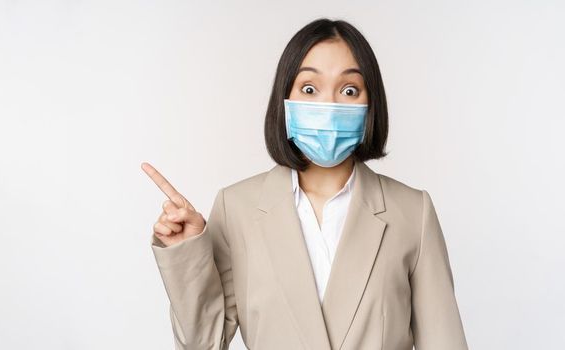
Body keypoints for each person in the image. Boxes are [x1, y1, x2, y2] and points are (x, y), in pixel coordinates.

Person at [141, 18, 468, 349]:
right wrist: (187, 251)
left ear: (371, 105)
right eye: (310, 89)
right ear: (285, 100)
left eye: (349, 90)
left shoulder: (413, 212)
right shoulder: (237, 207)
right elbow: (202, 343)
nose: (328, 106)